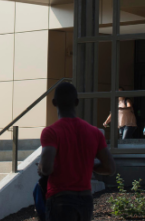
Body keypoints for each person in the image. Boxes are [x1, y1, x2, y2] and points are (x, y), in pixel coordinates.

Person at [38, 82, 115, 221]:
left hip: (60, 199)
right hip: (85, 200)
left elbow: (46, 168)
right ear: (77, 102)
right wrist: (89, 165)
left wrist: (40, 167)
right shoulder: (94, 132)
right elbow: (109, 168)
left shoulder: (51, 132)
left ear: (54, 103)